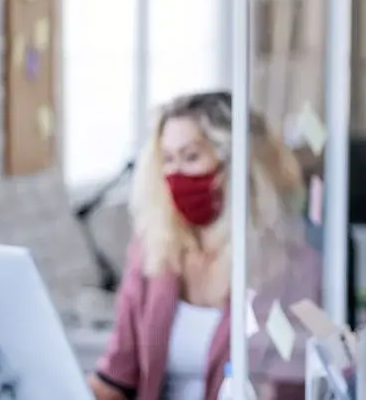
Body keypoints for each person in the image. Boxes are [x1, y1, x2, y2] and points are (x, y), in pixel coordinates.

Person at [88, 91, 320, 400]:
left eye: (191, 157)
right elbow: (117, 376)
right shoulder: (152, 252)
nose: (176, 173)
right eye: (168, 159)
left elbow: (290, 384)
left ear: (235, 164)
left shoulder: (291, 265)